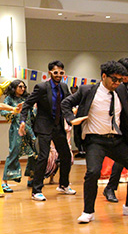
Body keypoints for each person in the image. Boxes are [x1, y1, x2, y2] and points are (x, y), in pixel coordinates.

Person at [62, 60, 128, 223]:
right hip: (95, 141)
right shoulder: (87, 90)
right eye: (114, 79)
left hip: (116, 140)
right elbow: (66, 103)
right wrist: (72, 119)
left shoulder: (120, 90)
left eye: (121, 80)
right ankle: (88, 211)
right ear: (104, 76)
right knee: (93, 172)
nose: (118, 83)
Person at [19, 60, 75, 201]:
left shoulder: (63, 87)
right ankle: (36, 190)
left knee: (66, 155)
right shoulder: (41, 87)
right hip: (44, 126)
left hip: (58, 126)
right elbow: (27, 104)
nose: (58, 75)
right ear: (50, 72)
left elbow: (68, 104)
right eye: (55, 72)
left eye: (61, 72)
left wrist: (73, 115)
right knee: (43, 157)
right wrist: (22, 121)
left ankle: (63, 185)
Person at [103, 57, 128, 203]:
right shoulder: (113, 83)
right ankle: (110, 188)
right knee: (123, 160)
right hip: (121, 127)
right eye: (127, 74)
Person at [0, 80, 36, 191]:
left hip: (29, 128)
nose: (22, 88)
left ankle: (31, 178)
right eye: (20, 86)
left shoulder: (26, 99)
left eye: (24, 86)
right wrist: (15, 111)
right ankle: (4, 182)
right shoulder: (9, 99)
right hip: (17, 129)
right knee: (14, 153)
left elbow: (32, 113)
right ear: (14, 87)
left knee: (34, 153)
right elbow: (3, 111)